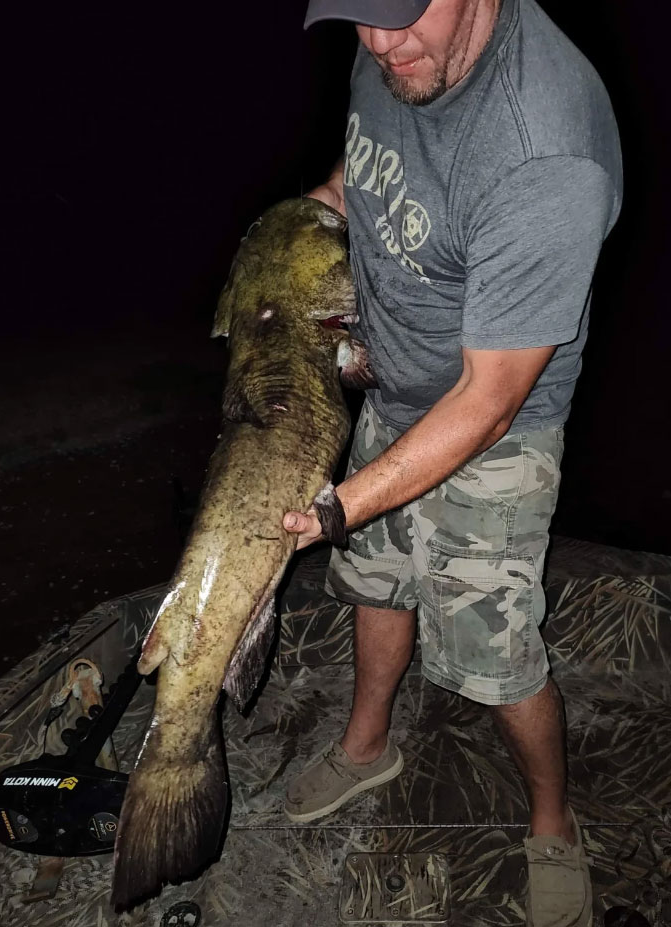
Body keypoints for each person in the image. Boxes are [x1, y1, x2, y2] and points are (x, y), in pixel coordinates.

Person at [281, 1, 623, 925]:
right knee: (377, 584)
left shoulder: (544, 151)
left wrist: (338, 505)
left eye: (402, 16)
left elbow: (489, 400)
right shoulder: (390, 46)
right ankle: (366, 746)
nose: (382, 45)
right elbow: (371, 169)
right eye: (361, 20)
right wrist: (312, 217)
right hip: (392, 391)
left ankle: (553, 819)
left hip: (493, 440)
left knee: (497, 657)